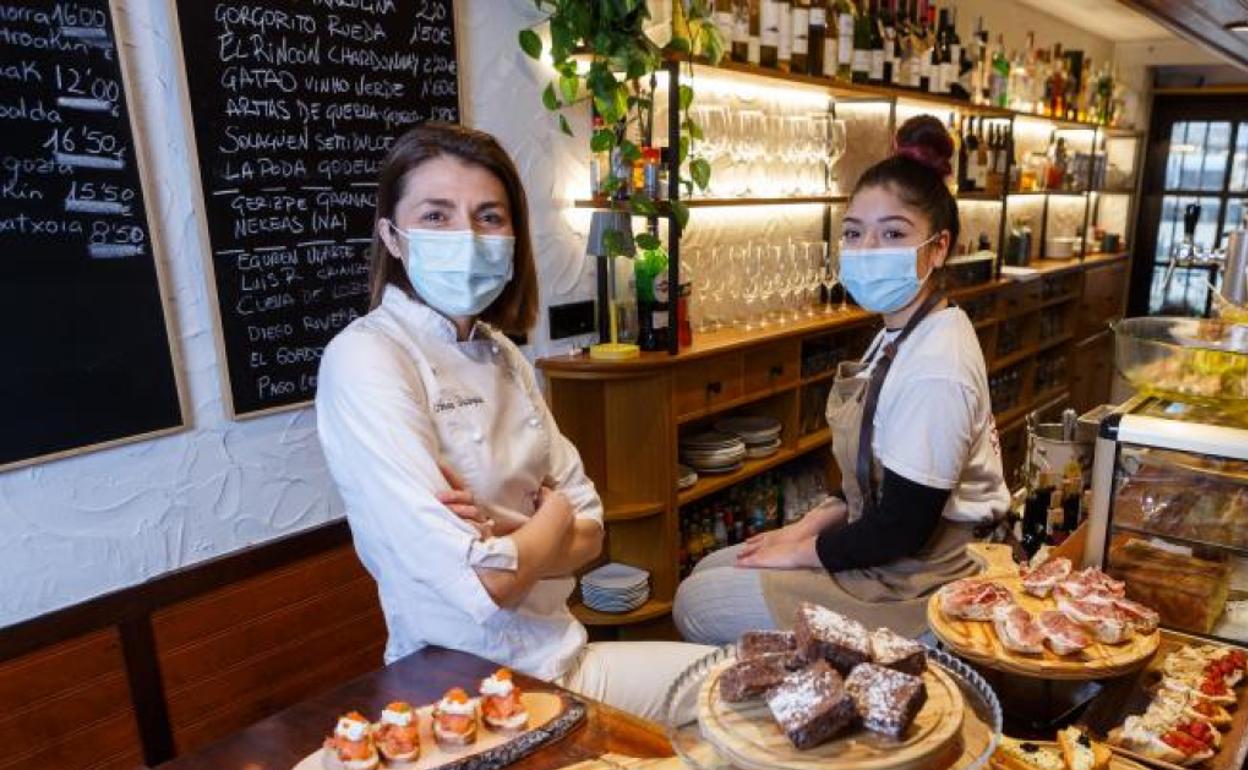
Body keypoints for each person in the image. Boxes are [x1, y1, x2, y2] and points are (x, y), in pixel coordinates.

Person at [316, 123, 711, 720]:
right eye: (437, 215)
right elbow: (481, 583)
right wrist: (552, 515)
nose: (467, 237)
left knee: (740, 687)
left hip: (563, 658)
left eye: (489, 217)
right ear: (393, 238)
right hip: (460, 687)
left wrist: (509, 539)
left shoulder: (502, 353)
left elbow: (593, 534)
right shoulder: (366, 357)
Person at [673, 115, 1011, 642]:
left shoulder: (937, 364)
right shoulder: (902, 329)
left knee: (697, 602)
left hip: (919, 579)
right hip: (887, 552)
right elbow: (871, 481)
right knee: (713, 566)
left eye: (893, 233)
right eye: (855, 233)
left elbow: (901, 528)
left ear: (938, 247)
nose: (869, 248)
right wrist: (803, 528)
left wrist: (801, 554)